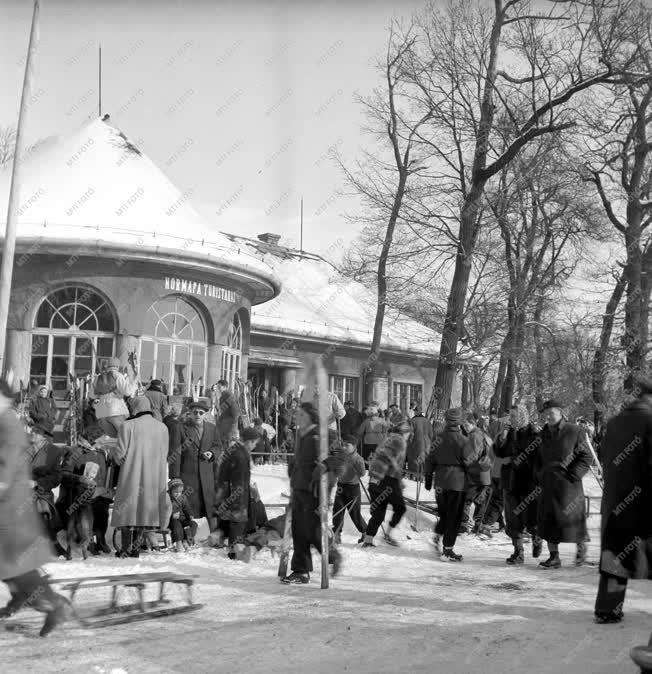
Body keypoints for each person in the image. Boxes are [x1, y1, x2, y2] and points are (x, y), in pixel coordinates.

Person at [0, 381, 72, 637]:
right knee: (9, 561)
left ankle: (55, 605)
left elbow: (6, 468)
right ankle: (23, 596)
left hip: (9, 507)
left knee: (16, 561)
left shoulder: (8, 425)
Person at [594, 377, 652, 624]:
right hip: (645, 506)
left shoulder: (615, 422)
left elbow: (604, 456)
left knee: (615, 557)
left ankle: (608, 609)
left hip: (615, 502)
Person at [281, 402, 342, 585]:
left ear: (310, 415)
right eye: (296, 414)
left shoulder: (325, 434)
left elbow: (340, 456)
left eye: (301, 414)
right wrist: (292, 469)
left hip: (315, 490)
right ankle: (301, 571)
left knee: (313, 530)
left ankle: (331, 555)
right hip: (299, 487)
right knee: (298, 529)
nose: (297, 417)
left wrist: (325, 466)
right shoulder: (301, 435)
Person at [534, 399, 593, 569]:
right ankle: (554, 557)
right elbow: (536, 459)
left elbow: (586, 456)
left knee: (573, 520)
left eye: (551, 413)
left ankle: (581, 551)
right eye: (546, 414)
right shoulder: (542, 434)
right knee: (549, 521)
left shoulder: (574, 431)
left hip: (569, 486)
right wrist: (539, 474)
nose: (548, 416)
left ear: (560, 412)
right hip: (548, 485)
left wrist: (574, 475)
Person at [109, 396, 170, 558]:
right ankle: (136, 549)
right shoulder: (163, 427)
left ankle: (125, 549)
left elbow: (120, 454)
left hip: (132, 475)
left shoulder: (127, 426)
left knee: (128, 512)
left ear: (135, 407)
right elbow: (165, 454)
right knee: (143, 513)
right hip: (153, 478)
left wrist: (112, 452)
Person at [494, 405, 542, 564]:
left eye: (513, 416)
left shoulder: (534, 434)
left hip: (529, 483)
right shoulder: (509, 433)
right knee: (512, 518)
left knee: (531, 518)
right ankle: (518, 552)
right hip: (510, 481)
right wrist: (502, 438)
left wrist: (514, 460)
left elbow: (535, 459)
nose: (510, 419)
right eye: (510, 416)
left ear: (522, 416)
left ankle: (537, 538)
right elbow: (499, 453)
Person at [424, 408, 474, 562]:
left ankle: (438, 535)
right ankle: (448, 549)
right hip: (457, 482)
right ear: (459, 422)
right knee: (454, 516)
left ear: (446, 420)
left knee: (444, 513)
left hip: (440, 480)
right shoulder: (464, 440)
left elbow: (430, 458)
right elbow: (469, 461)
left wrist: (428, 477)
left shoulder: (438, 437)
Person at [168, 399, 222, 530]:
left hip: (207, 476)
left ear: (205, 415)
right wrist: (175, 477)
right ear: (190, 414)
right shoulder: (180, 427)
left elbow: (218, 446)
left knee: (210, 508)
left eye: (201, 413)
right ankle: (183, 536)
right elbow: (175, 453)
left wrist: (212, 453)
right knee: (185, 509)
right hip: (187, 477)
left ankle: (215, 536)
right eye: (195, 412)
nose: (198, 415)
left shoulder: (212, 428)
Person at [212, 427, 259, 561]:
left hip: (225, 492)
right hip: (236, 494)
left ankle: (225, 542)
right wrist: (239, 499)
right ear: (249, 441)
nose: (255, 446)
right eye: (255, 443)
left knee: (230, 521)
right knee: (237, 522)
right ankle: (235, 552)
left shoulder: (234, 450)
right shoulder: (240, 455)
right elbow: (239, 480)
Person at [362, 433, 407, 548]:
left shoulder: (385, 441)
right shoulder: (399, 441)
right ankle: (387, 535)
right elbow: (395, 464)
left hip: (374, 481)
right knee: (401, 508)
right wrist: (399, 480)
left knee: (378, 513)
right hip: (389, 482)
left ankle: (368, 540)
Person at [28, 423, 63, 550]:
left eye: (36, 432)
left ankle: (52, 542)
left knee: (44, 512)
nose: (32, 433)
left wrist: (37, 483)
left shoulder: (54, 451)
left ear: (44, 437)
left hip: (42, 490)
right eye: (32, 430)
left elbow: (57, 477)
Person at [460, 414, 494, 535]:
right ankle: (478, 525)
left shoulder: (474, 435)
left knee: (466, 498)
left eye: (467, 425)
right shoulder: (484, 434)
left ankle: (463, 525)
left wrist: (463, 464)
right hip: (486, 471)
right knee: (481, 499)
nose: (465, 427)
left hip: (475, 471)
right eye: (464, 425)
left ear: (473, 424)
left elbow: (473, 455)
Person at [333, 435, 367, 544]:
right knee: (337, 511)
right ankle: (336, 534)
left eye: (347, 445)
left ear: (354, 446)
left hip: (353, 489)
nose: (344, 447)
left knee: (355, 513)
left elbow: (362, 473)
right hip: (341, 487)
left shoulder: (358, 459)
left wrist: (356, 469)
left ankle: (366, 533)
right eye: (343, 445)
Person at [92, 356, 138, 438]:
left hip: (101, 412)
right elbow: (128, 392)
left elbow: (92, 395)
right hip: (116, 410)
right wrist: (134, 382)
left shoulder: (98, 377)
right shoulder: (117, 375)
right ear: (117, 366)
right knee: (124, 436)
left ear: (107, 365)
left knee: (110, 438)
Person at [167, 478, 197, 552]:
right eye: (175, 492)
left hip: (183, 519)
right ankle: (178, 543)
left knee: (193, 524)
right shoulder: (167, 498)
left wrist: (190, 515)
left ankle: (185, 541)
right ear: (170, 491)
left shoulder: (183, 498)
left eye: (180, 492)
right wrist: (172, 515)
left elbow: (187, 508)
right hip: (172, 520)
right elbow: (164, 511)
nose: (178, 494)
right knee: (177, 527)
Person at [406, 405, 432, 474]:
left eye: (414, 411)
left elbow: (409, 435)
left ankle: (414, 478)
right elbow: (431, 434)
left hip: (415, 444)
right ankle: (422, 478)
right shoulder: (427, 421)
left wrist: (407, 443)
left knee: (414, 461)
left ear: (416, 412)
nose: (414, 412)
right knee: (424, 462)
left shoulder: (412, 421)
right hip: (426, 445)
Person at [215, 379, 240, 446]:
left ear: (225, 386)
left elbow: (235, 411)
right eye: (218, 387)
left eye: (219, 387)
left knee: (227, 443)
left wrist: (233, 427)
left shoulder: (228, 395)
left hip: (229, 424)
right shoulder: (224, 395)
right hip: (225, 423)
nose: (218, 389)